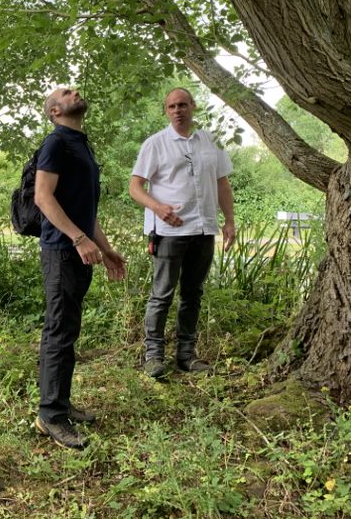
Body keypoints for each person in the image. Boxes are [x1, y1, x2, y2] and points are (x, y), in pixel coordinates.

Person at [32, 87, 126, 450]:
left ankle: (61, 403)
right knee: (59, 330)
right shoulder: (55, 142)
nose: (75, 91)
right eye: (65, 93)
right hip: (61, 252)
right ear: (55, 111)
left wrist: (105, 248)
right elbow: (43, 196)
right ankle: (50, 415)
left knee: (68, 329)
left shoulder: (81, 143)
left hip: (78, 251)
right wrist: (77, 239)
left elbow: (84, 209)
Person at [129, 87, 235, 379]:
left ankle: (186, 356)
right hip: (168, 231)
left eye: (182, 105)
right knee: (161, 294)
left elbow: (223, 183)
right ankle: (153, 357)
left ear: (193, 107)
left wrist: (229, 221)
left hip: (203, 228)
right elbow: (135, 187)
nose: (177, 110)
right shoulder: (156, 144)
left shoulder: (211, 140)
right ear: (166, 111)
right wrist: (158, 207)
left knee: (193, 294)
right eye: (171, 106)